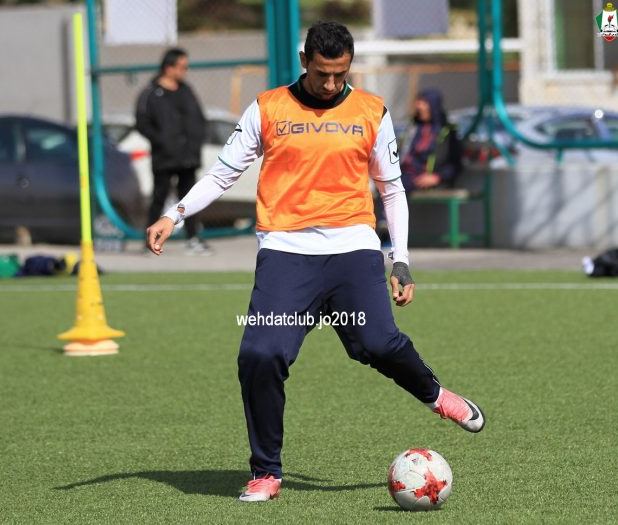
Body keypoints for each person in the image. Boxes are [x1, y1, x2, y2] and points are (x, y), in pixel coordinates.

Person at [146, 22, 485, 503]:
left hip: (353, 248)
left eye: (340, 74)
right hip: (287, 252)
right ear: (305, 60)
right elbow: (222, 174)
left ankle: (437, 396)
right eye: (323, 73)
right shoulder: (267, 108)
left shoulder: (371, 110)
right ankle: (266, 472)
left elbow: (391, 189)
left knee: (377, 342)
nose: (331, 84)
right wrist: (174, 215)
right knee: (260, 355)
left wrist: (401, 260)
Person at [135, 47, 211, 255]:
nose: (185, 71)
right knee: (159, 196)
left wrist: (196, 139)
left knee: (189, 198)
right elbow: (142, 123)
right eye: (181, 67)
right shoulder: (152, 93)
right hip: (164, 157)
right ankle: (149, 239)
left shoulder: (186, 90)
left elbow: (198, 118)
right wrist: (161, 140)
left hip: (188, 156)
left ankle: (193, 238)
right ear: (169, 68)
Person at [399, 88, 462, 195]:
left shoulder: (446, 131)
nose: (419, 106)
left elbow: (455, 164)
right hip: (404, 175)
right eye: (418, 102)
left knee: (395, 189)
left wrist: (437, 177)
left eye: (424, 103)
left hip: (423, 179)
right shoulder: (413, 128)